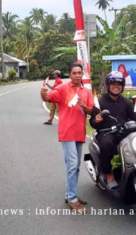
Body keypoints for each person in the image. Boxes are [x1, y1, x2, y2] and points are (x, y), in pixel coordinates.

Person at [40, 63, 94, 214]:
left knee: (75, 166)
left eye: (79, 72)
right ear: (69, 75)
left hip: (80, 133)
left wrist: (84, 106)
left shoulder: (86, 91)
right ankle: (72, 198)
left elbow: (91, 110)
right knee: (72, 165)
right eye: (74, 73)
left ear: (82, 74)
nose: (77, 75)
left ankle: (69, 194)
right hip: (67, 132)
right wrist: (43, 93)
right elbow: (48, 97)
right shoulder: (63, 88)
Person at [90, 71, 136, 191]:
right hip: (107, 132)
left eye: (119, 84)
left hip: (124, 131)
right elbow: (92, 122)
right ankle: (109, 175)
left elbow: (135, 117)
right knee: (106, 144)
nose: (116, 86)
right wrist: (97, 120)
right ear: (108, 85)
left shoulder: (126, 101)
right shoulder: (100, 102)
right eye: (113, 84)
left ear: (122, 86)